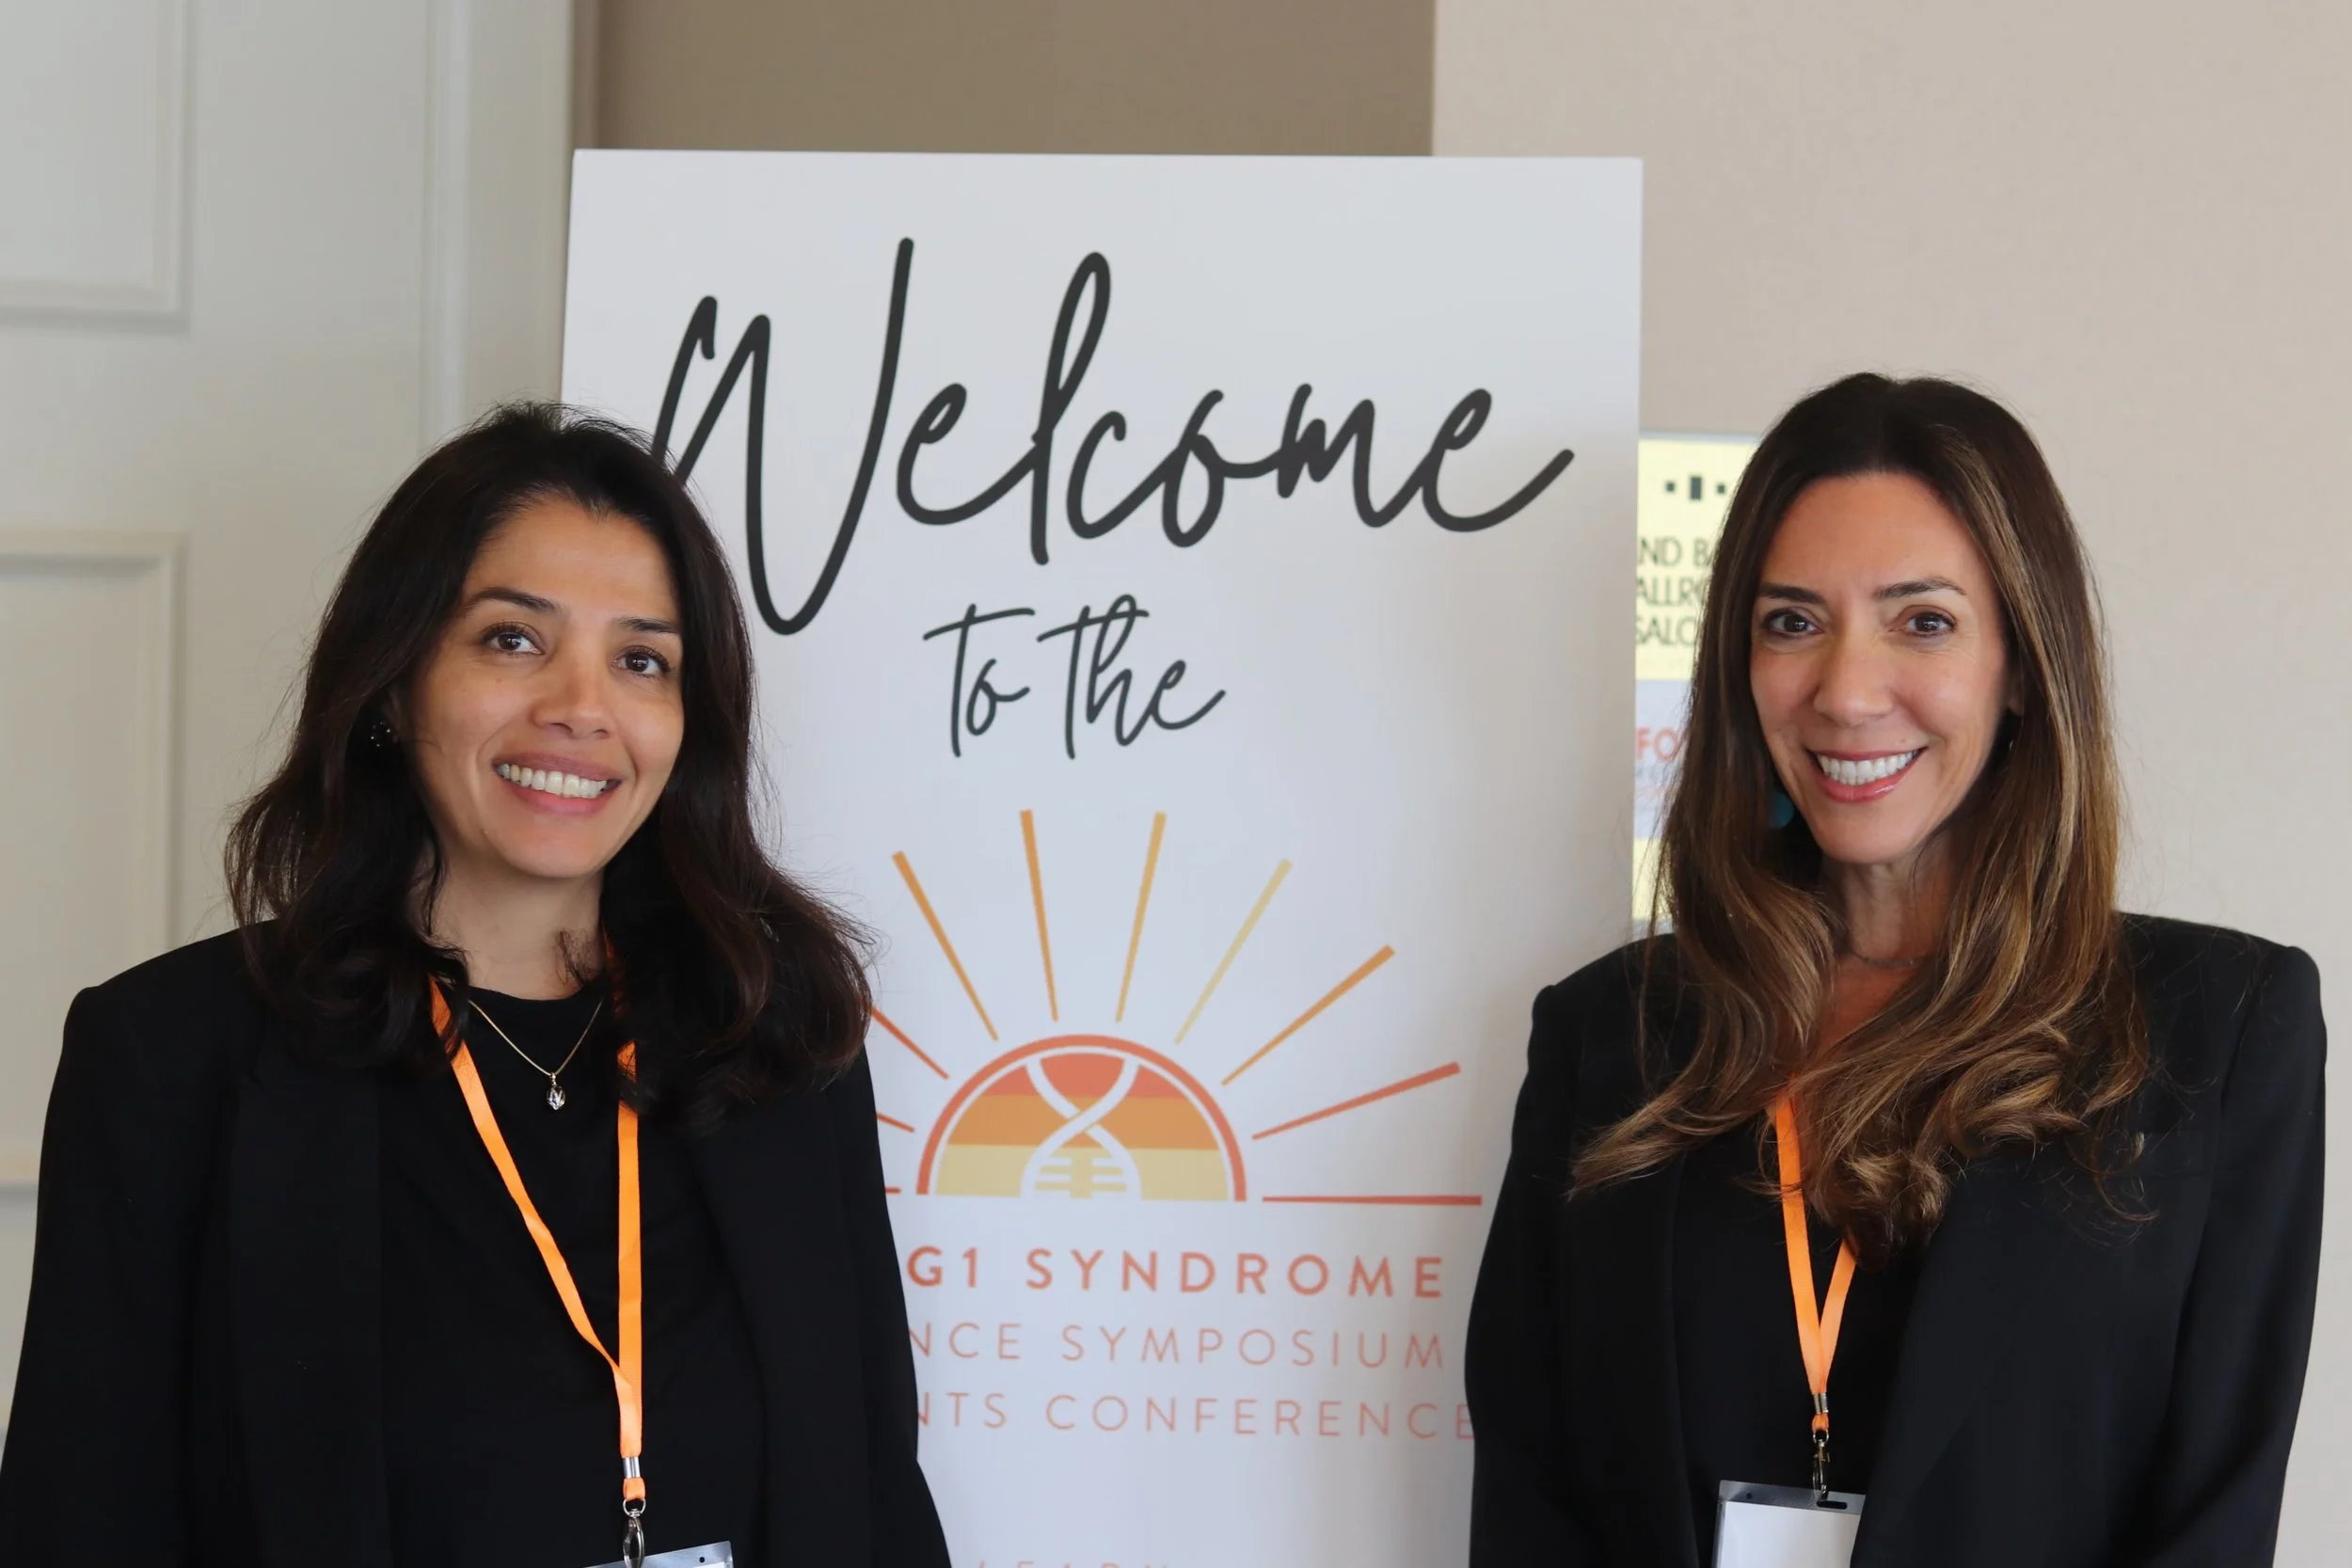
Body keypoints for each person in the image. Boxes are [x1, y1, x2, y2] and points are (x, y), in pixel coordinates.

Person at [0, 405, 951, 1568]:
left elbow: (874, 1504)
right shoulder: (170, 1059)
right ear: (396, 682)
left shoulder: (778, 1039)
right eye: (512, 640)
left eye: (642, 659)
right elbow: (81, 1524)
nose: (581, 706)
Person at [1465, 374, 2325, 1567]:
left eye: (1921, 621)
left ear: (2021, 664)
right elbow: (1531, 1495)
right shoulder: (1611, 1031)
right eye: (1790, 620)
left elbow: (2213, 1513)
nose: (1845, 691)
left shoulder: (2216, 1028)